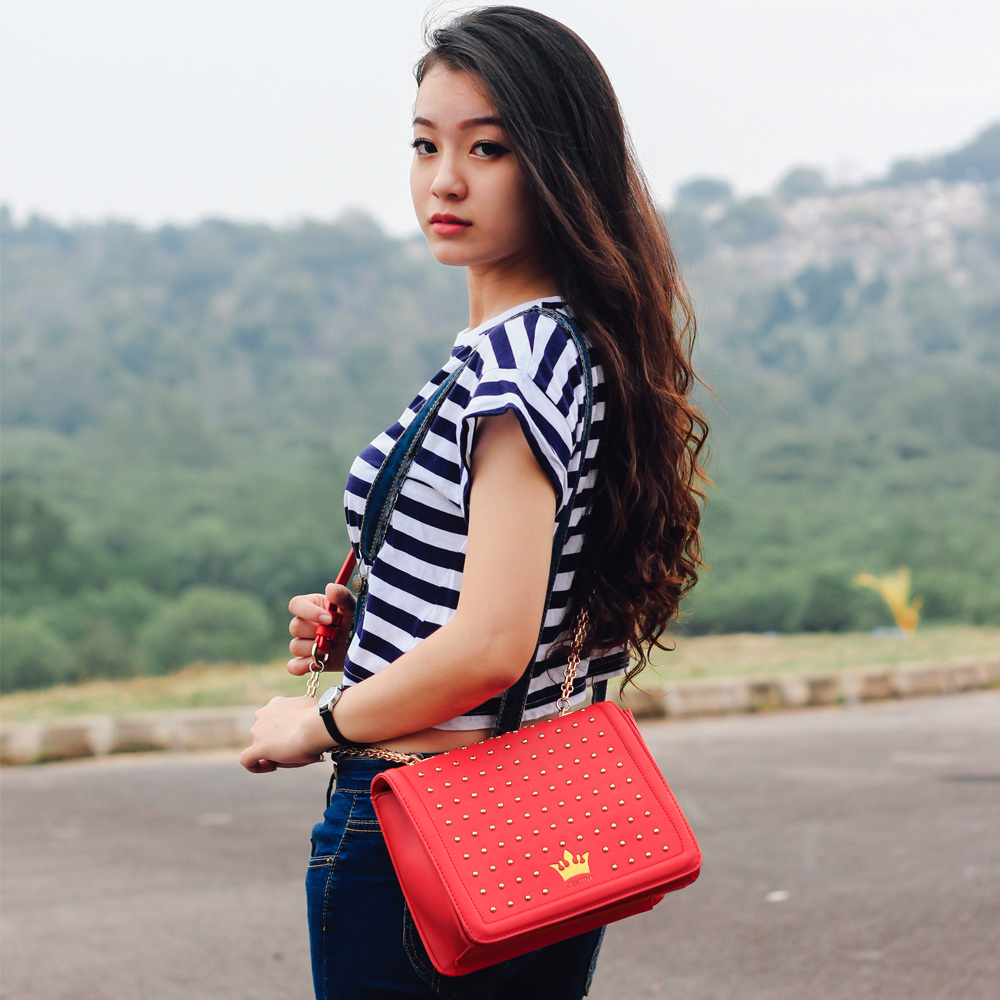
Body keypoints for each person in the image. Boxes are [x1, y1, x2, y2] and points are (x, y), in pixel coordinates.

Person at [240, 7, 708, 998]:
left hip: (430, 820)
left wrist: (315, 724)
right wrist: (378, 625)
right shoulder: (569, 343)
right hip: (539, 815)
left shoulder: (513, 366)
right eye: (425, 145)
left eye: (486, 148)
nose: (444, 180)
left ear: (558, 168)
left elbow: (492, 644)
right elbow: (518, 601)